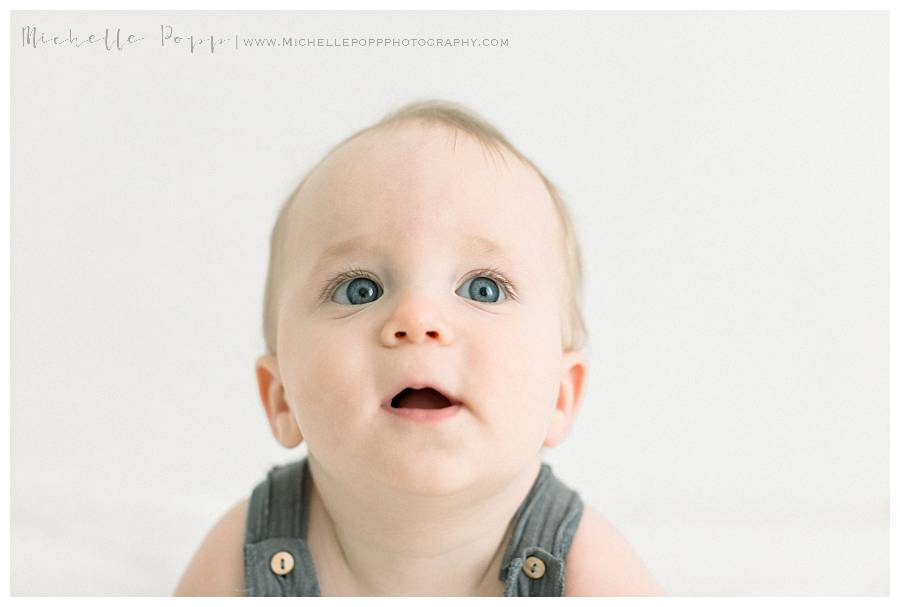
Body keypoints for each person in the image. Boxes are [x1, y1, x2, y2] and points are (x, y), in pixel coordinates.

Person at [174, 99, 664, 596]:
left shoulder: (589, 573)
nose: (417, 320)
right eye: (359, 289)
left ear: (560, 396)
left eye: (482, 288)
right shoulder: (242, 560)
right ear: (281, 398)